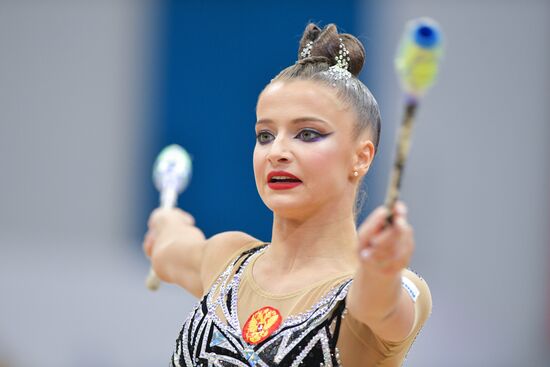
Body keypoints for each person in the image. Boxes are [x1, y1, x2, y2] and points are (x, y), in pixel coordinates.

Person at [143, 23, 431, 367]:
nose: (276, 151)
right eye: (265, 135)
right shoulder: (227, 260)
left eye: (307, 134)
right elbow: (169, 245)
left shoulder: (384, 290)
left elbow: (382, 305)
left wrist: (380, 268)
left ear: (361, 157)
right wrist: (165, 222)